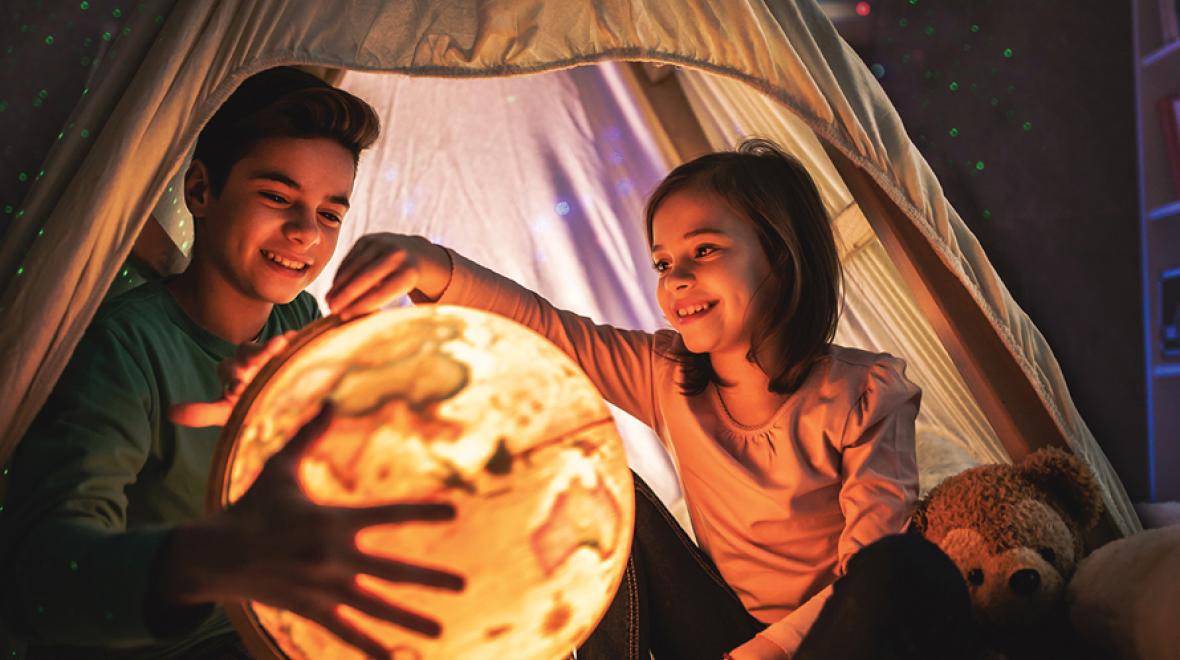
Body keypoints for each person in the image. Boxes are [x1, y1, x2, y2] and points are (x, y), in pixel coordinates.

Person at [311, 139, 924, 659]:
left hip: (831, 640)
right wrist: (431, 266)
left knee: (900, 570)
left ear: (782, 257)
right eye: (662, 261)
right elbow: (547, 327)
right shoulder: (670, 377)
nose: (677, 278)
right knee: (603, 483)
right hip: (719, 628)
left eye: (704, 250)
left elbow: (870, 565)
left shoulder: (862, 393)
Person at [0, 67, 464, 660]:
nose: (304, 233)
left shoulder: (298, 320)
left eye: (329, 213)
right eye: (276, 197)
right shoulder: (124, 347)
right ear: (200, 191)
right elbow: (38, 576)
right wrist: (203, 560)